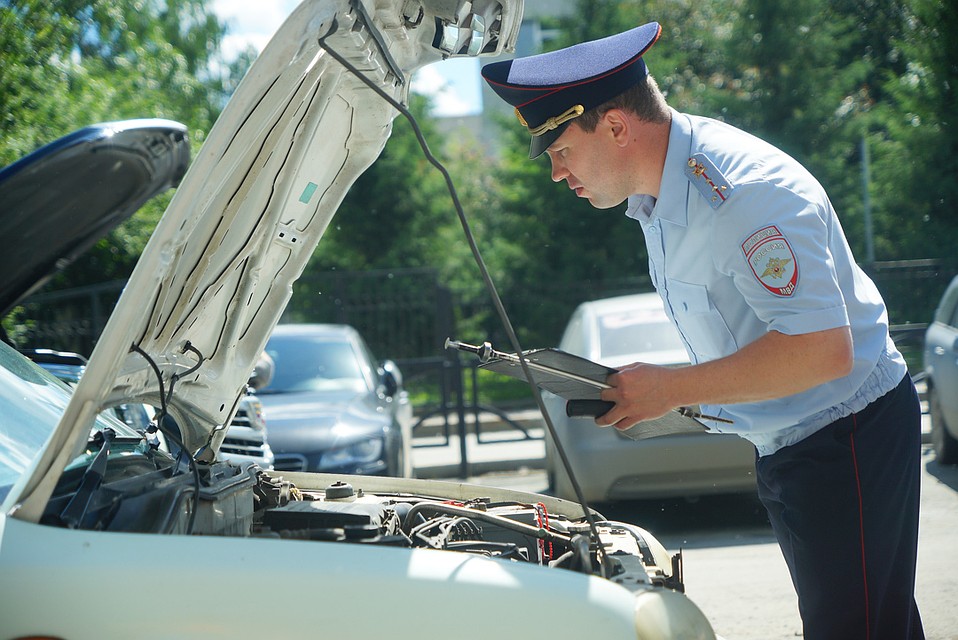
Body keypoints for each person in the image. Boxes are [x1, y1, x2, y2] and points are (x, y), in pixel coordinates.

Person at [481, 22, 924, 640]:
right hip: (796, 442)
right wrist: (661, 388)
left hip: (846, 433)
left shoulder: (742, 193)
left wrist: (670, 389)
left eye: (560, 151)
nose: (557, 174)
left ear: (614, 126)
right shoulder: (660, 192)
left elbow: (823, 350)